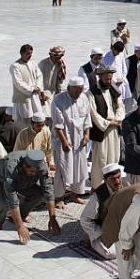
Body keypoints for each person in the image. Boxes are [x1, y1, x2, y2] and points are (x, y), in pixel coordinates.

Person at [0, 150, 60, 244]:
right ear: (25, 166)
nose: (34, 174)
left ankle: (19, 216)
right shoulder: (11, 167)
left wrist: (52, 218)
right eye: (32, 171)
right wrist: (20, 227)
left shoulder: (41, 166)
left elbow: (48, 191)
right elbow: (12, 199)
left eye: (36, 172)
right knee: (3, 203)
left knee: (38, 193)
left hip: (22, 181)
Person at [51, 77, 92, 205]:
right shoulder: (58, 100)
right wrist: (64, 142)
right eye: (75, 90)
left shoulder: (84, 98)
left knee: (80, 167)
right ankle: (59, 198)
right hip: (64, 137)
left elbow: (87, 119)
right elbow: (58, 124)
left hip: (79, 138)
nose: (78, 93)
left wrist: (86, 136)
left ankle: (75, 194)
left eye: (80, 90)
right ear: (69, 88)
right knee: (63, 168)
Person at [87, 65, 124, 189]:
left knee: (114, 157)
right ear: (100, 76)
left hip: (114, 129)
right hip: (101, 131)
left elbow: (120, 107)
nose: (109, 81)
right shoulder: (92, 92)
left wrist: (116, 120)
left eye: (110, 78)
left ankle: (113, 185)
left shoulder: (114, 90)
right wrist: (106, 123)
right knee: (100, 159)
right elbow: (93, 113)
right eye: (107, 78)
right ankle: (97, 187)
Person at [79, 162, 124, 259]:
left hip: (121, 228)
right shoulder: (97, 196)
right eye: (113, 179)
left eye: (119, 177)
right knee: (112, 253)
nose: (117, 181)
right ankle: (91, 238)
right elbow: (84, 219)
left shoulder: (125, 187)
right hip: (103, 229)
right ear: (105, 180)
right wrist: (100, 233)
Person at [10, 44, 46, 131]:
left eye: (31, 53)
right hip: (23, 97)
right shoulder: (15, 66)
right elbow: (18, 82)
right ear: (21, 54)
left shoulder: (33, 63)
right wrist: (31, 89)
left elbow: (39, 76)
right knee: (25, 120)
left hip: (34, 96)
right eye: (27, 54)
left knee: (37, 116)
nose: (29, 56)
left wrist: (38, 86)